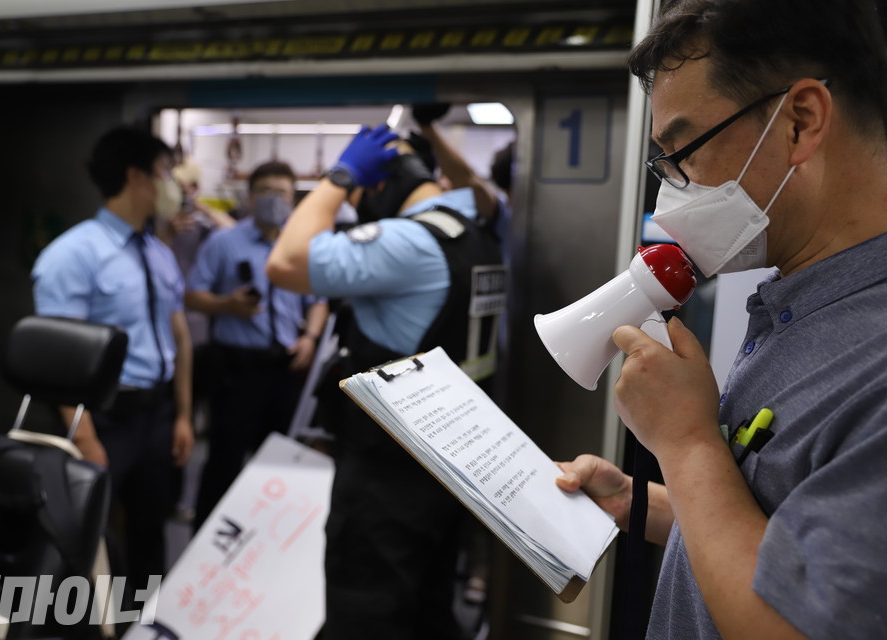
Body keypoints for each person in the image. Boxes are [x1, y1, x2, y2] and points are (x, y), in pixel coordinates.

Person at [556, 1, 887, 639]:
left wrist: (686, 443)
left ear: (800, 121)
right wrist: (639, 503)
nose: (673, 194)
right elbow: (781, 533)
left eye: (685, 152)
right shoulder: (796, 304)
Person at [266, 125, 505, 640]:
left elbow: (285, 263)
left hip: (387, 472)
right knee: (427, 607)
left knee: (367, 612)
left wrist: (337, 178)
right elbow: (476, 187)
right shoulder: (478, 227)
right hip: (450, 463)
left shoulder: (407, 242)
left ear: (376, 187)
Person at [31, 127, 194, 593]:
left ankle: (143, 618)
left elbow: (178, 336)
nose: (171, 185)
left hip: (157, 413)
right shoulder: (74, 255)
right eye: (165, 172)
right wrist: (85, 438)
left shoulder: (158, 252)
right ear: (135, 177)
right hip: (105, 418)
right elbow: (58, 359)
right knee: (87, 535)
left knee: (150, 527)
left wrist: (182, 414)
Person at [185, 193, 329, 529]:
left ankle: (267, 543)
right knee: (224, 462)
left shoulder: (304, 243)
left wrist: (309, 337)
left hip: (286, 368)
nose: (273, 199)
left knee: (282, 464)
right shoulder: (223, 242)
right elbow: (191, 296)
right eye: (265, 189)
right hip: (237, 370)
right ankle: (205, 551)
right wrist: (228, 305)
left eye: (282, 190)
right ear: (250, 193)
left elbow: (319, 300)